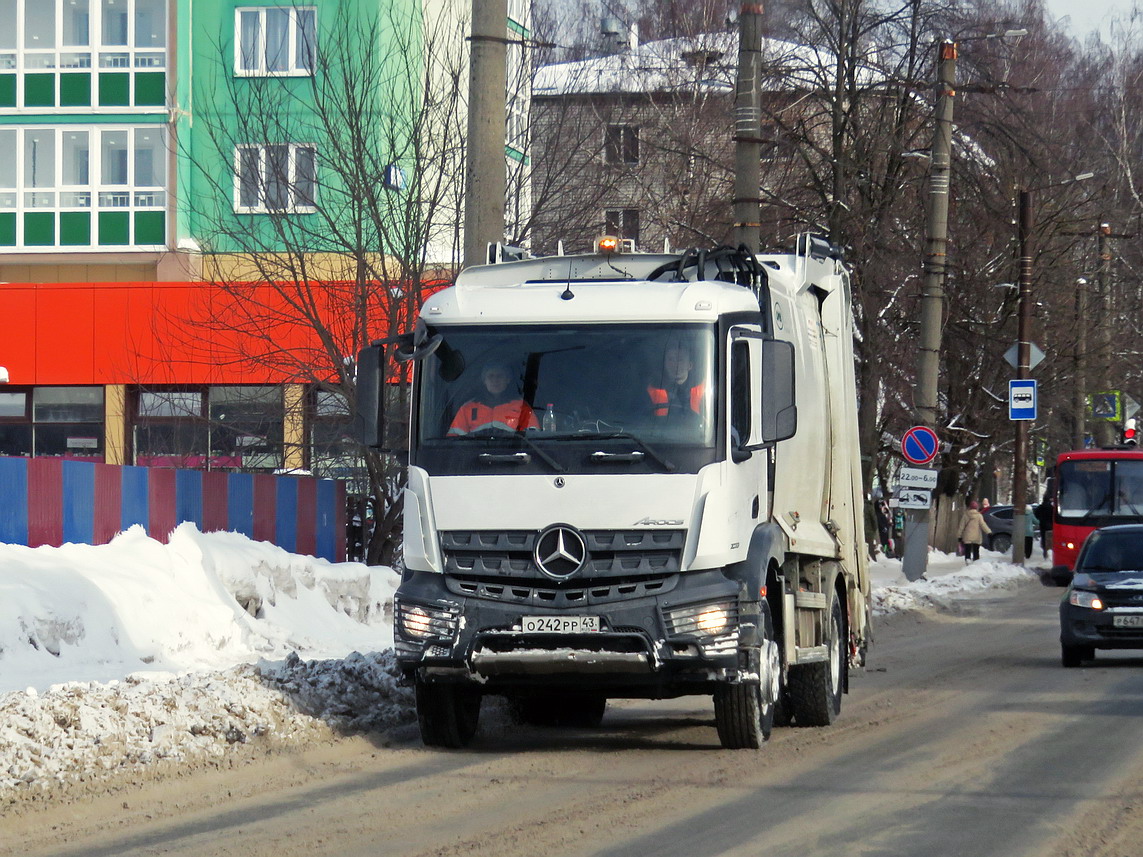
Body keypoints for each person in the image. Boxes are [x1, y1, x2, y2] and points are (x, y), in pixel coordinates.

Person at [448, 363, 539, 435]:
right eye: (490, 376)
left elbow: (534, 440)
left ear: (508, 380)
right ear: (484, 381)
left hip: (513, 457)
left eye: (499, 376)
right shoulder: (467, 408)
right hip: (474, 457)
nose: (495, 380)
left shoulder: (522, 408)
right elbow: (454, 442)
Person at [648, 343, 704, 418]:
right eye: (671, 359)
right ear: (665, 364)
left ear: (690, 365)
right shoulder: (651, 391)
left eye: (680, 360)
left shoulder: (704, 392)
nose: (675, 364)